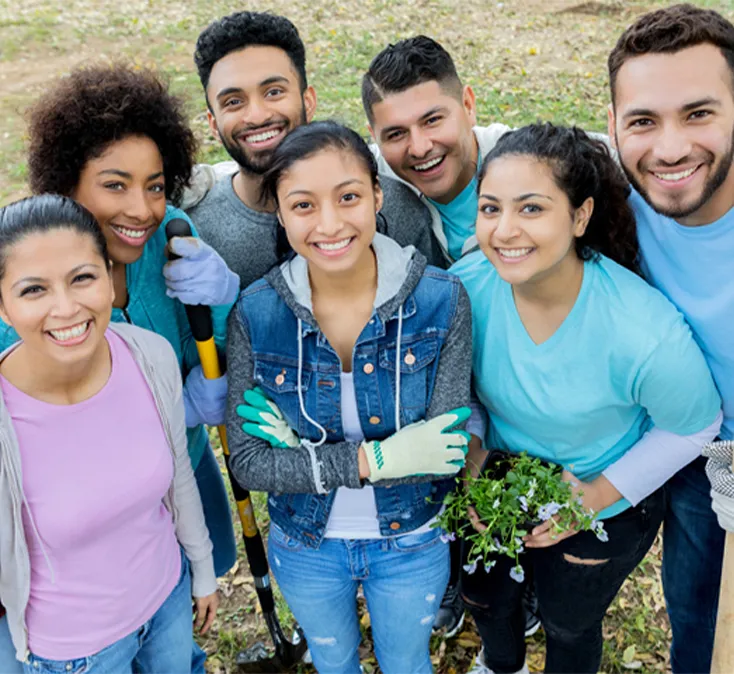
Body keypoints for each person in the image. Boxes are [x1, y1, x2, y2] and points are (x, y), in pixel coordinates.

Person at [451, 123, 722, 674]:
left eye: (531, 209)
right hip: (499, 475)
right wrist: (474, 452)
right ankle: (500, 664)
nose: (504, 231)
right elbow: (463, 389)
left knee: (569, 622)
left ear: (579, 216)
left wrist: (592, 498)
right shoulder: (465, 288)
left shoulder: (643, 330)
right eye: (489, 208)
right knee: (488, 599)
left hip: (607, 491)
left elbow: (694, 425)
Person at [224, 121, 472, 673]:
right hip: (305, 543)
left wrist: (303, 459)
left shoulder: (440, 300)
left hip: (411, 539)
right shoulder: (256, 314)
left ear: (377, 195)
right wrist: (374, 458)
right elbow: (247, 464)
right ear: (280, 214)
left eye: (349, 197)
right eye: (304, 205)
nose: (330, 224)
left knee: (407, 665)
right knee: (335, 666)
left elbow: (445, 454)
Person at [0, 63, 238, 583]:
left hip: (183, 460)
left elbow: (208, 344)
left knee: (198, 582)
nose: (142, 209)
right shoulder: (25, 281)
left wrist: (224, 303)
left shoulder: (174, 236)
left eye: (155, 186)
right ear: (66, 184)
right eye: (115, 185)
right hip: (98, 502)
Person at [0, 194, 219, 672]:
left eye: (83, 277)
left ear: (109, 276)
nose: (66, 308)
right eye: (33, 290)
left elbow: (179, 474)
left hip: (167, 601)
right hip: (75, 650)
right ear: (2, 306)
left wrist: (201, 570)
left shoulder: (149, 355)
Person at [607, 5, 734, 671]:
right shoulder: (613, 200)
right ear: (613, 127)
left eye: (698, 113)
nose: (670, 147)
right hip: (702, 454)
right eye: (643, 121)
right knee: (698, 620)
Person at [184, 11, 443, 288]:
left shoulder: (395, 208)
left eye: (273, 92)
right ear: (213, 123)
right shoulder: (200, 236)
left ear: (308, 101)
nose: (257, 116)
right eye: (234, 102)